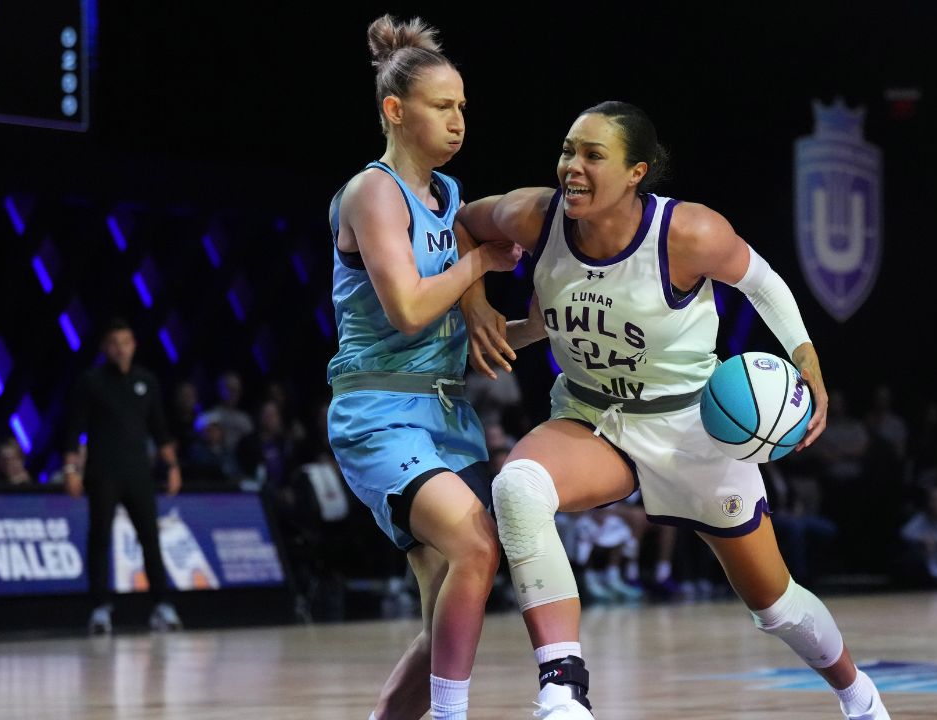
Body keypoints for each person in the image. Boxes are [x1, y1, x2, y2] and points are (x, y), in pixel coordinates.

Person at [457, 101, 889, 719]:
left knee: (776, 605)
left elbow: (763, 283)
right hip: (592, 416)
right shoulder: (533, 215)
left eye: (592, 156)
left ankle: (859, 695)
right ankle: (561, 687)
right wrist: (474, 300)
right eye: (567, 151)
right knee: (519, 488)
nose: (571, 168)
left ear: (637, 172)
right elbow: (463, 224)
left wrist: (809, 362)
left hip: (694, 427)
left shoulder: (689, 234)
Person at [323, 15, 521, 720]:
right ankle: (450, 715)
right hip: (380, 413)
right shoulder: (372, 192)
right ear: (396, 111)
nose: (458, 119)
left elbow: (480, 343)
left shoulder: (454, 201)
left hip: (447, 416)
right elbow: (408, 308)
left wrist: (558, 320)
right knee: (477, 543)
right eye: (443, 106)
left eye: (463, 106)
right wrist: (476, 265)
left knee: (446, 609)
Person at [61, 318, 182, 633]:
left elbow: (159, 428)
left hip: (138, 473)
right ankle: (100, 608)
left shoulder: (147, 381)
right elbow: (74, 429)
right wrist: (71, 469)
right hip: (102, 472)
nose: (121, 349)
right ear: (105, 348)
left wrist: (172, 467)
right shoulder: (91, 382)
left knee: (150, 538)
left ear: (134, 345)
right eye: (114, 343)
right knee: (100, 537)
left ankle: (162, 606)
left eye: (126, 342)